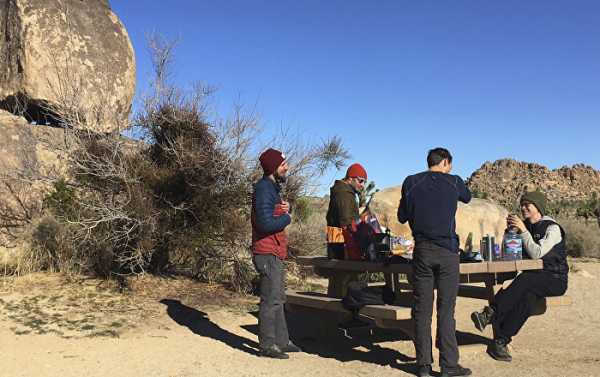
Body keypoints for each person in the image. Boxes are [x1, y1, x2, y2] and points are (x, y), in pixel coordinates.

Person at [397, 148, 472, 377]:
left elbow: (402, 216)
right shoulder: (454, 182)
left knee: (421, 310)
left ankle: (423, 365)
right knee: (446, 309)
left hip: (422, 251)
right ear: (446, 162)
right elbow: (467, 197)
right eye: (450, 165)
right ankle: (449, 365)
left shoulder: (411, 182)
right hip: (448, 251)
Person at [471, 190, 569, 362]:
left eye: (527, 205)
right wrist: (512, 233)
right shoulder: (526, 226)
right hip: (534, 280)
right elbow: (513, 255)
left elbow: (537, 253)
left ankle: (490, 312)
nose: (523, 208)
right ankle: (501, 341)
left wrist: (523, 231)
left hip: (555, 278)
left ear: (538, 207)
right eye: (522, 205)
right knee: (527, 300)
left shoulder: (552, 228)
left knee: (525, 280)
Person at [251, 148, 301, 359]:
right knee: (269, 299)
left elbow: (270, 213)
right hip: (267, 251)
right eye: (283, 164)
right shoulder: (264, 189)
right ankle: (267, 345)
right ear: (273, 167)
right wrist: (286, 218)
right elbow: (264, 223)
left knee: (278, 298)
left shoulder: (271, 188)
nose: (287, 167)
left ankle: (281, 340)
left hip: (275, 250)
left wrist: (282, 209)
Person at [325, 163, 368, 260]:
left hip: (337, 241)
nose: (362, 185)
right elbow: (346, 223)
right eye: (360, 181)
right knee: (343, 274)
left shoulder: (343, 191)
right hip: (341, 245)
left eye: (364, 182)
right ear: (350, 178)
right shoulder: (344, 193)